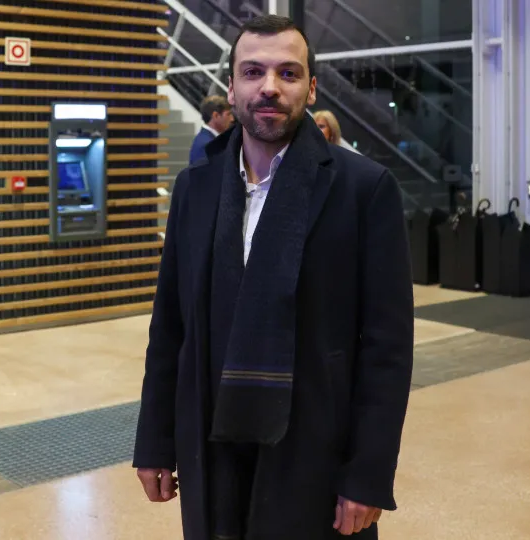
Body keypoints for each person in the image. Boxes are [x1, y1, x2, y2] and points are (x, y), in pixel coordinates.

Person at [134, 14, 414, 540]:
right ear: (231, 87)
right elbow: (170, 328)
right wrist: (155, 442)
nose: (269, 86)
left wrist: (368, 475)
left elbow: (387, 350)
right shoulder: (196, 188)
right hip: (212, 440)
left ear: (312, 88)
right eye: (252, 71)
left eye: (288, 73)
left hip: (315, 448)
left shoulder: (364, 190)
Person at [190, 94, 235, 164]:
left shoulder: (209, 140)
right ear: (216, 115)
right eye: (228, 114)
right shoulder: (206, 145)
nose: (232, 119)